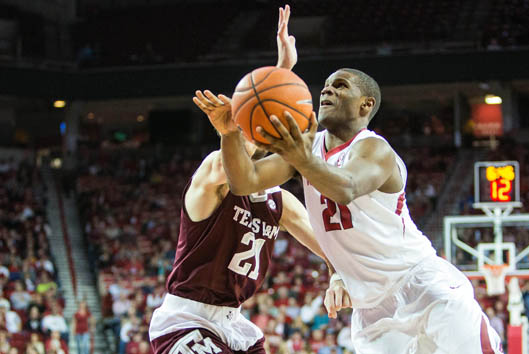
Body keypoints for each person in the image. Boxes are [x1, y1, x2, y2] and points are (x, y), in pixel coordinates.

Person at [211, 5, 503, 353]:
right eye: (326, 85)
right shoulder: (308, 147)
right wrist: (230, 132)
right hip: (370, 311)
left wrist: (299, 156)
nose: (327, 91)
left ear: (365, 105)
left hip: (423, 286)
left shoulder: (375, 150)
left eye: (340, 86)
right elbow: (245, 181)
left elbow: (345, 188)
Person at [149, 7, 348, 354]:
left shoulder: (279, 202)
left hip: (234, 323)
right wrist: (281, 73)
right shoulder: (215, 173)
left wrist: (337, 273)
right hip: (186, 320)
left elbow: (327, 246)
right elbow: (240, 156)